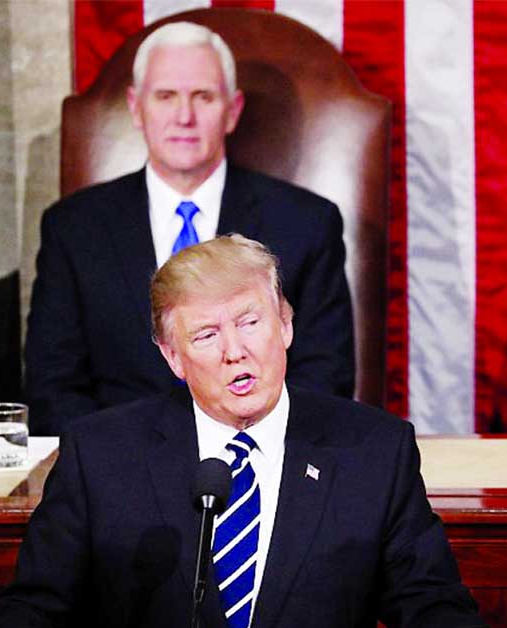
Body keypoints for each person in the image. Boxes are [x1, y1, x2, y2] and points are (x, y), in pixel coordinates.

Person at [0, 236, 507, 628]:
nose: (235, 351)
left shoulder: (371, 449)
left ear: (286, 325)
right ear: (173, 357)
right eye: (206, 335)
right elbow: (40, 600)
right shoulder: (102, 453)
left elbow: (428, 595)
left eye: (250, 322)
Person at [24, 21, 354, 436]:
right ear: (136, 107)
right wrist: (116, 470)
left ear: (232, 111)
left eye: (203, 97)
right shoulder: (73, 228)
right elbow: (53, 384)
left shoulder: (307, 223)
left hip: (261, 466)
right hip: (120, 471)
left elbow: (325, 377)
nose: (184, 116)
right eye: (166, 96)